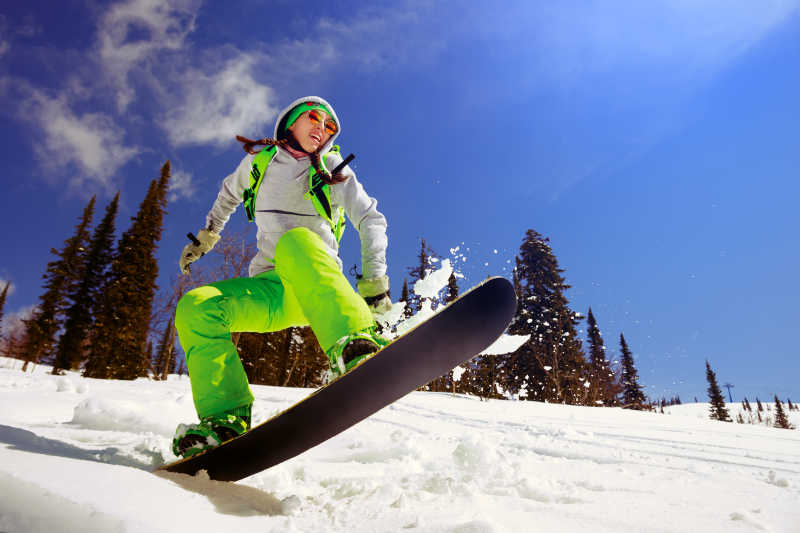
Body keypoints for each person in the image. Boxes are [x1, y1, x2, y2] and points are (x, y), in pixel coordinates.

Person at [172, 96, 392, 458]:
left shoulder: (332, 167)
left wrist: (373, 285)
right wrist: (207, 235)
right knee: (197, 307)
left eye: (330, 127)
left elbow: (371, 219)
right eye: (315, 118)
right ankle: (224, 420)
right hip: (272, 292)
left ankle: (356, 342)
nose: (322, 128)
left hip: (317, 285)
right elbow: (228, 193)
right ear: (289, 121)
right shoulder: (258, 163)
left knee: (295, 241)